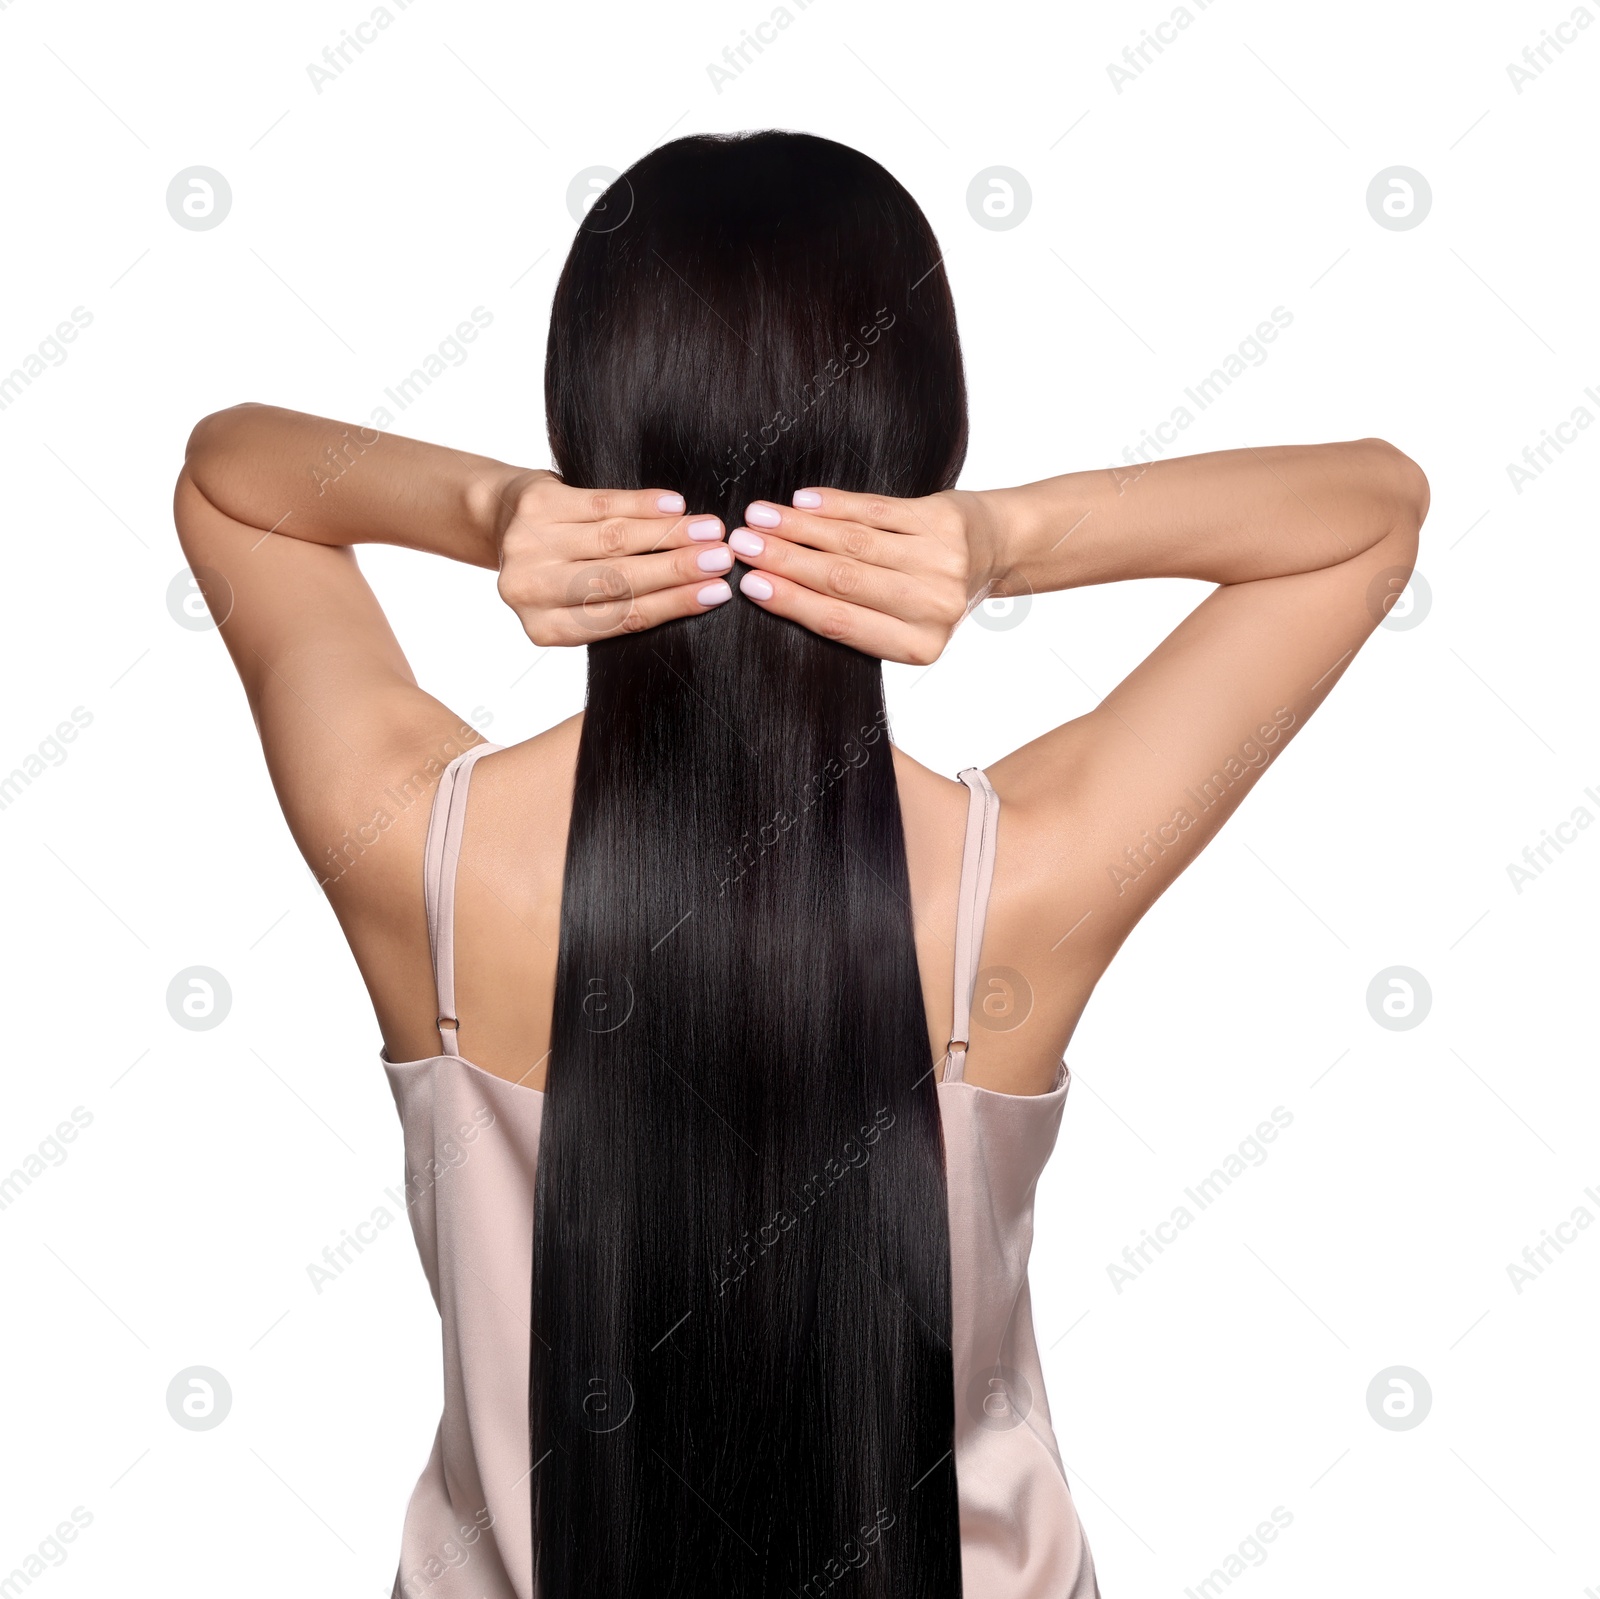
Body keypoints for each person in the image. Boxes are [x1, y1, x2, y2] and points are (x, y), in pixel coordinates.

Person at [175, 130, 1428, 1599]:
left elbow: (231, 471)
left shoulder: (423, 858)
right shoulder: (1016, 885)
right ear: (924, 440)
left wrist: (490, 513)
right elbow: (1371, 513)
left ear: (587, 430)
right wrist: (1001, 542)